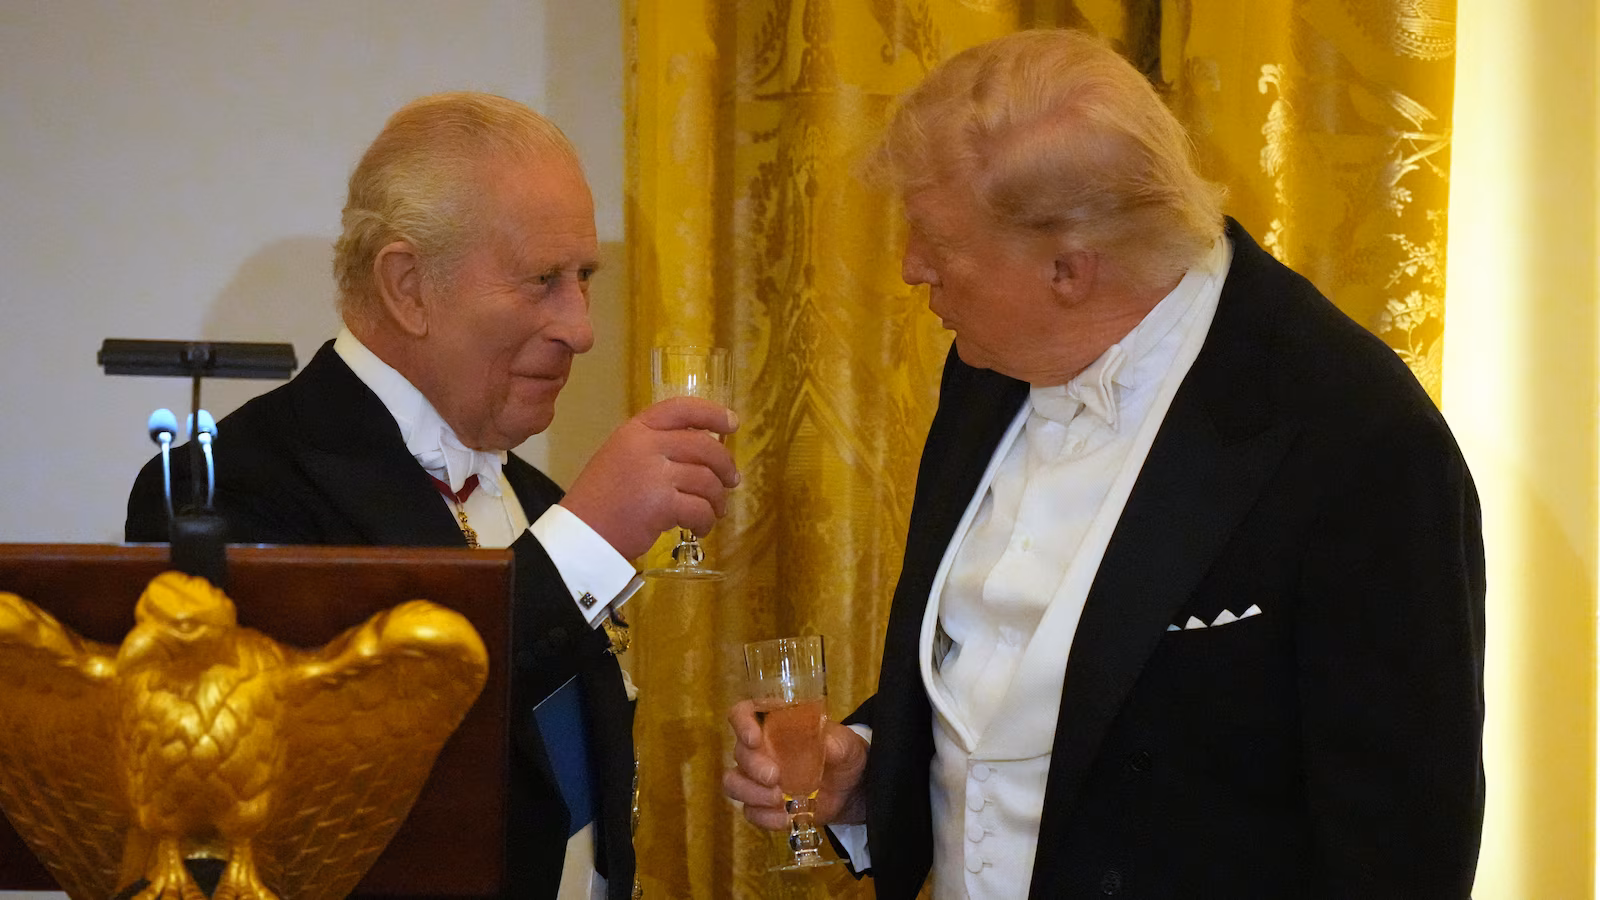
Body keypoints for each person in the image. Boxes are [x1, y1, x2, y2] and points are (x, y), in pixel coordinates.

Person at [723, 29, 1484, 899]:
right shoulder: (990, 362)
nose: (910, 267)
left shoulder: (1357, 440)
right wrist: (870, 774)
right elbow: (1008, 680)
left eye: (935, 238)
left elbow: (1402, 849)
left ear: (1069, 269)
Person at [127, 92, 739, 900]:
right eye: (544, 279)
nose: (582, 327)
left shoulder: (536, 497)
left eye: (584, 277)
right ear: (408, 286)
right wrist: (585, 544)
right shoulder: (227, 488)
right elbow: (313, 782)